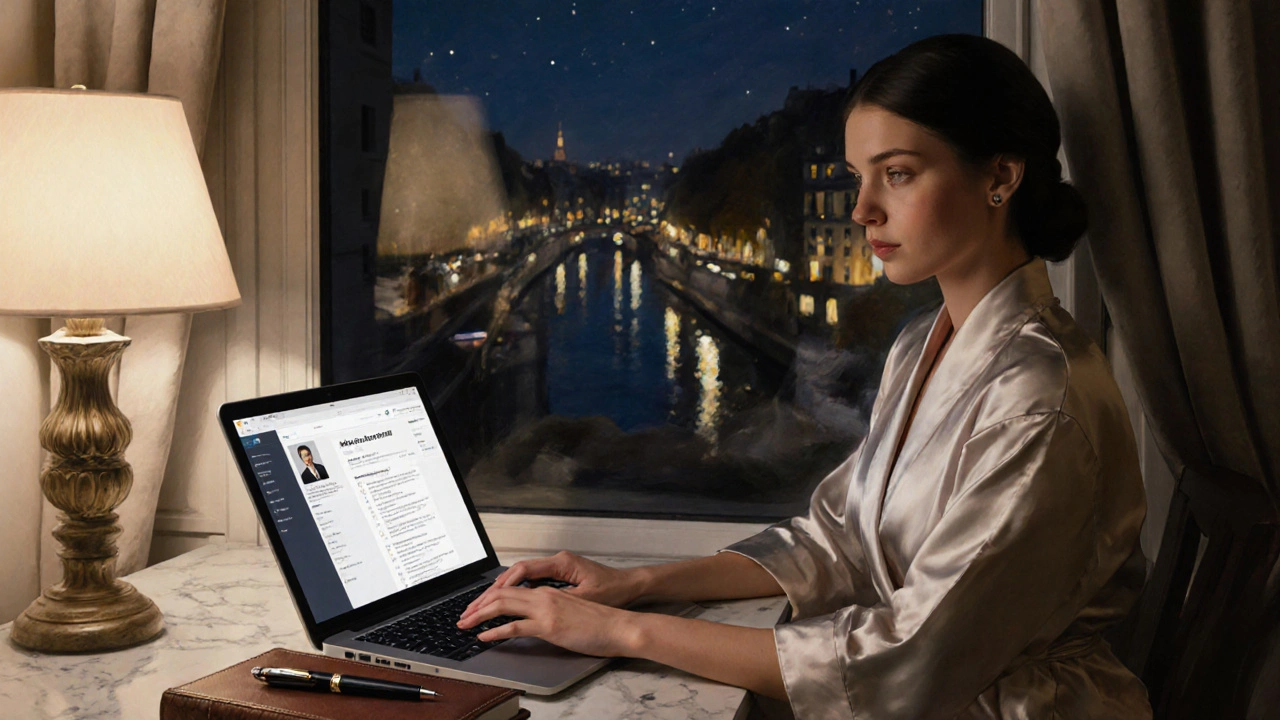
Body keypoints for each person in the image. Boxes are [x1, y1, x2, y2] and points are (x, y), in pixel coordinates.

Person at [458, 34, 1151, 719]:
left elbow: (909, 657)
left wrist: (620, 631)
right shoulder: (921, 344)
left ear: (1000, 177)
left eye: (898, 173)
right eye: (857, 176)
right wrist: (636, 583)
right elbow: (835, 539)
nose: (861, 210)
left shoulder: (1038, 395)